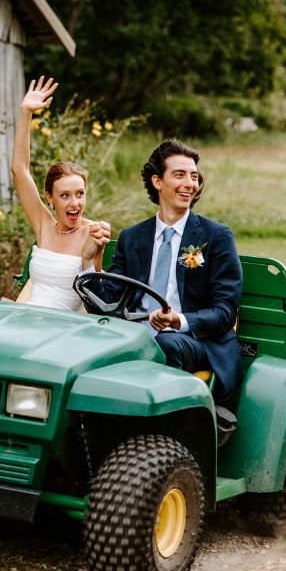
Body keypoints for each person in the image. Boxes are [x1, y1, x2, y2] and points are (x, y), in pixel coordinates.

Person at [82, 138, 242, 412]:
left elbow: (225, 312)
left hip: (195, 341)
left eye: (193, 176)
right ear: (157, 181)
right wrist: (87, 261)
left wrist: (178, 321)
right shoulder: (133, 237)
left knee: (165, 343)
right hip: (137, 332)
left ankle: (163, 431)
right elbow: (107, 300)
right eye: (179, 175)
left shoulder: (215, 237)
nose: (189, 183)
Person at [11, 76, 111, 310]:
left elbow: (97, 300)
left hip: (63, 330)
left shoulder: (93, 233)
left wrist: (94, 254)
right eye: (65, 195)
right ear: (50, 198)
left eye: (80, 193)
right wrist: (26, 113)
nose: (74, 203)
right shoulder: (43, 224)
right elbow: (19, 170)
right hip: (28, 317)